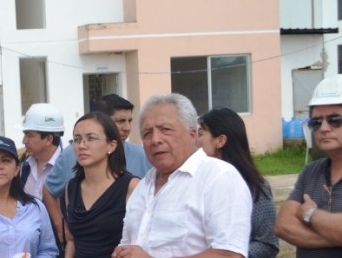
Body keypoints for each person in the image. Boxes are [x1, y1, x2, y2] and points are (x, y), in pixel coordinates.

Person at [112, 93, 252, 258]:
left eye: (166, 129)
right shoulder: (143, 186)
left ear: (192, 135)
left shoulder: (219, 177)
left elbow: (229, 255)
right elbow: (128, 245)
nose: (155, 140)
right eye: (147, 133)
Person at [42, 94, 151, 248]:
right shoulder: (70, 164)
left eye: (129, 121)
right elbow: (49, 190)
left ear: (111, 146)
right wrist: (62, 228)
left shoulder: (141, 160)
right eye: (120, 121)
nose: (126, 127)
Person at [275, 75, 342, 257]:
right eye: (316, 122)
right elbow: (283, 226)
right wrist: (335, 236)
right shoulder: (311, 171)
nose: (324, 128)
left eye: (334, 120)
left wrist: (310, 214)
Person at [198, 108, 278, 258]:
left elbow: (267, 244)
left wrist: (230, 254)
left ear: (220, 141)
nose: (196, 140)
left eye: (201, 134)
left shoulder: (254, 187)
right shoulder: (194, 180)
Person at [61, 112, 139, 257]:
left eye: (91, 138)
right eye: (77, 139)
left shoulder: (132, 187)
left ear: (111, 145)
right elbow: (71, 240)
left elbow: (142, 242)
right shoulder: (71, 188)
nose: (82, 145)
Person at [17, 103, 64, 200]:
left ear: (48, 139)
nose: (24, 141)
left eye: (29, 135)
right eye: (25, 134)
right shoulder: (23, 164)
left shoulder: (69, 168)